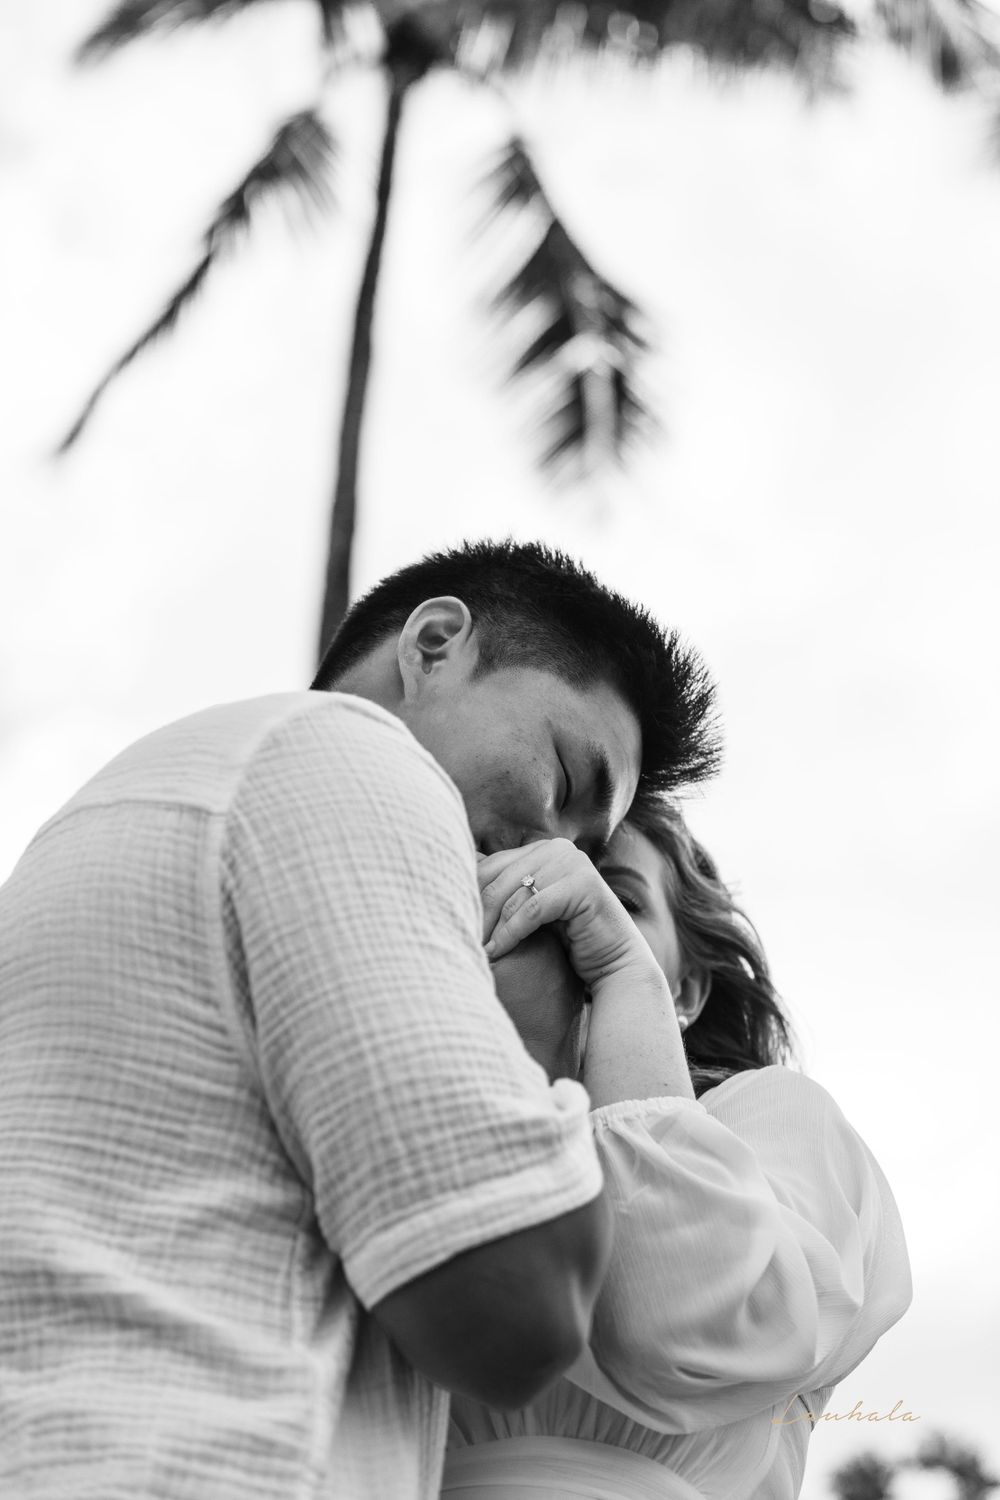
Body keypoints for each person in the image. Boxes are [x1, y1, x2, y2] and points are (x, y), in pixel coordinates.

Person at [0, 539, 719, 1500]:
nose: (561, 867)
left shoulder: (166, 790)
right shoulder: (353, 756)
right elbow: (517, 1314)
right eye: (562, 779)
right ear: (434, 644)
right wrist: (560, 1017)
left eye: (590, 851)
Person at [444, 799, 912, 1500]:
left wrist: (621, 973)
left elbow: (674, 1317)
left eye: (619, 898)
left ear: (686, 989)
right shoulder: (431, 1144)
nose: (564, 897)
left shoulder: (776, 1123)